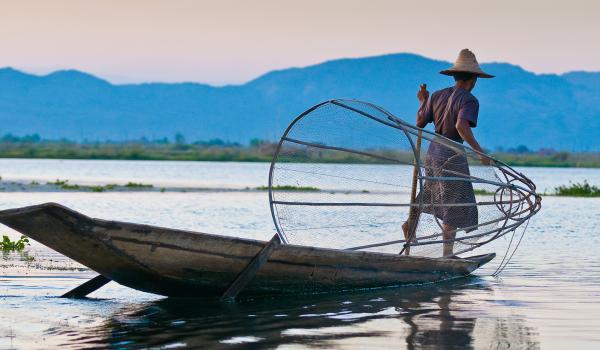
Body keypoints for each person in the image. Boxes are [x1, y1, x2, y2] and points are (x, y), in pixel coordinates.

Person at [402, 48, 494, 257]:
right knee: (454, 202)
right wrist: (480, 153)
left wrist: (423, 102)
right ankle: (447, 254)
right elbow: (461, 126)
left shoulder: (436, 96)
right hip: (452, 152)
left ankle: (410, 224)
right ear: (474, 79)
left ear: (455, 76)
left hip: (434, 150)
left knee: (431, 192)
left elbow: (419, 122)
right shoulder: (469, 100)